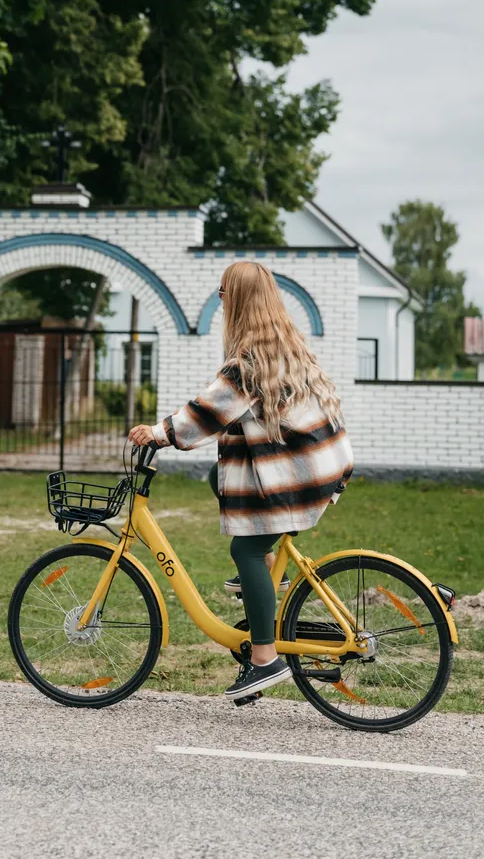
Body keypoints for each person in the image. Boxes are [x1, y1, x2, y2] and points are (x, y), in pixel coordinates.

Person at [128, 260, 353, 701]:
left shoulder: (249, 362)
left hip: (297, 476)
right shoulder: (284, 348)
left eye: (224, 291)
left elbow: (208, 411)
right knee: (221, 476)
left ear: (242, 300)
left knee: (243, 548)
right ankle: (270, 579)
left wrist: (159, 433)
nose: (220, 298)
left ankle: (265, 660)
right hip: (321, 467)